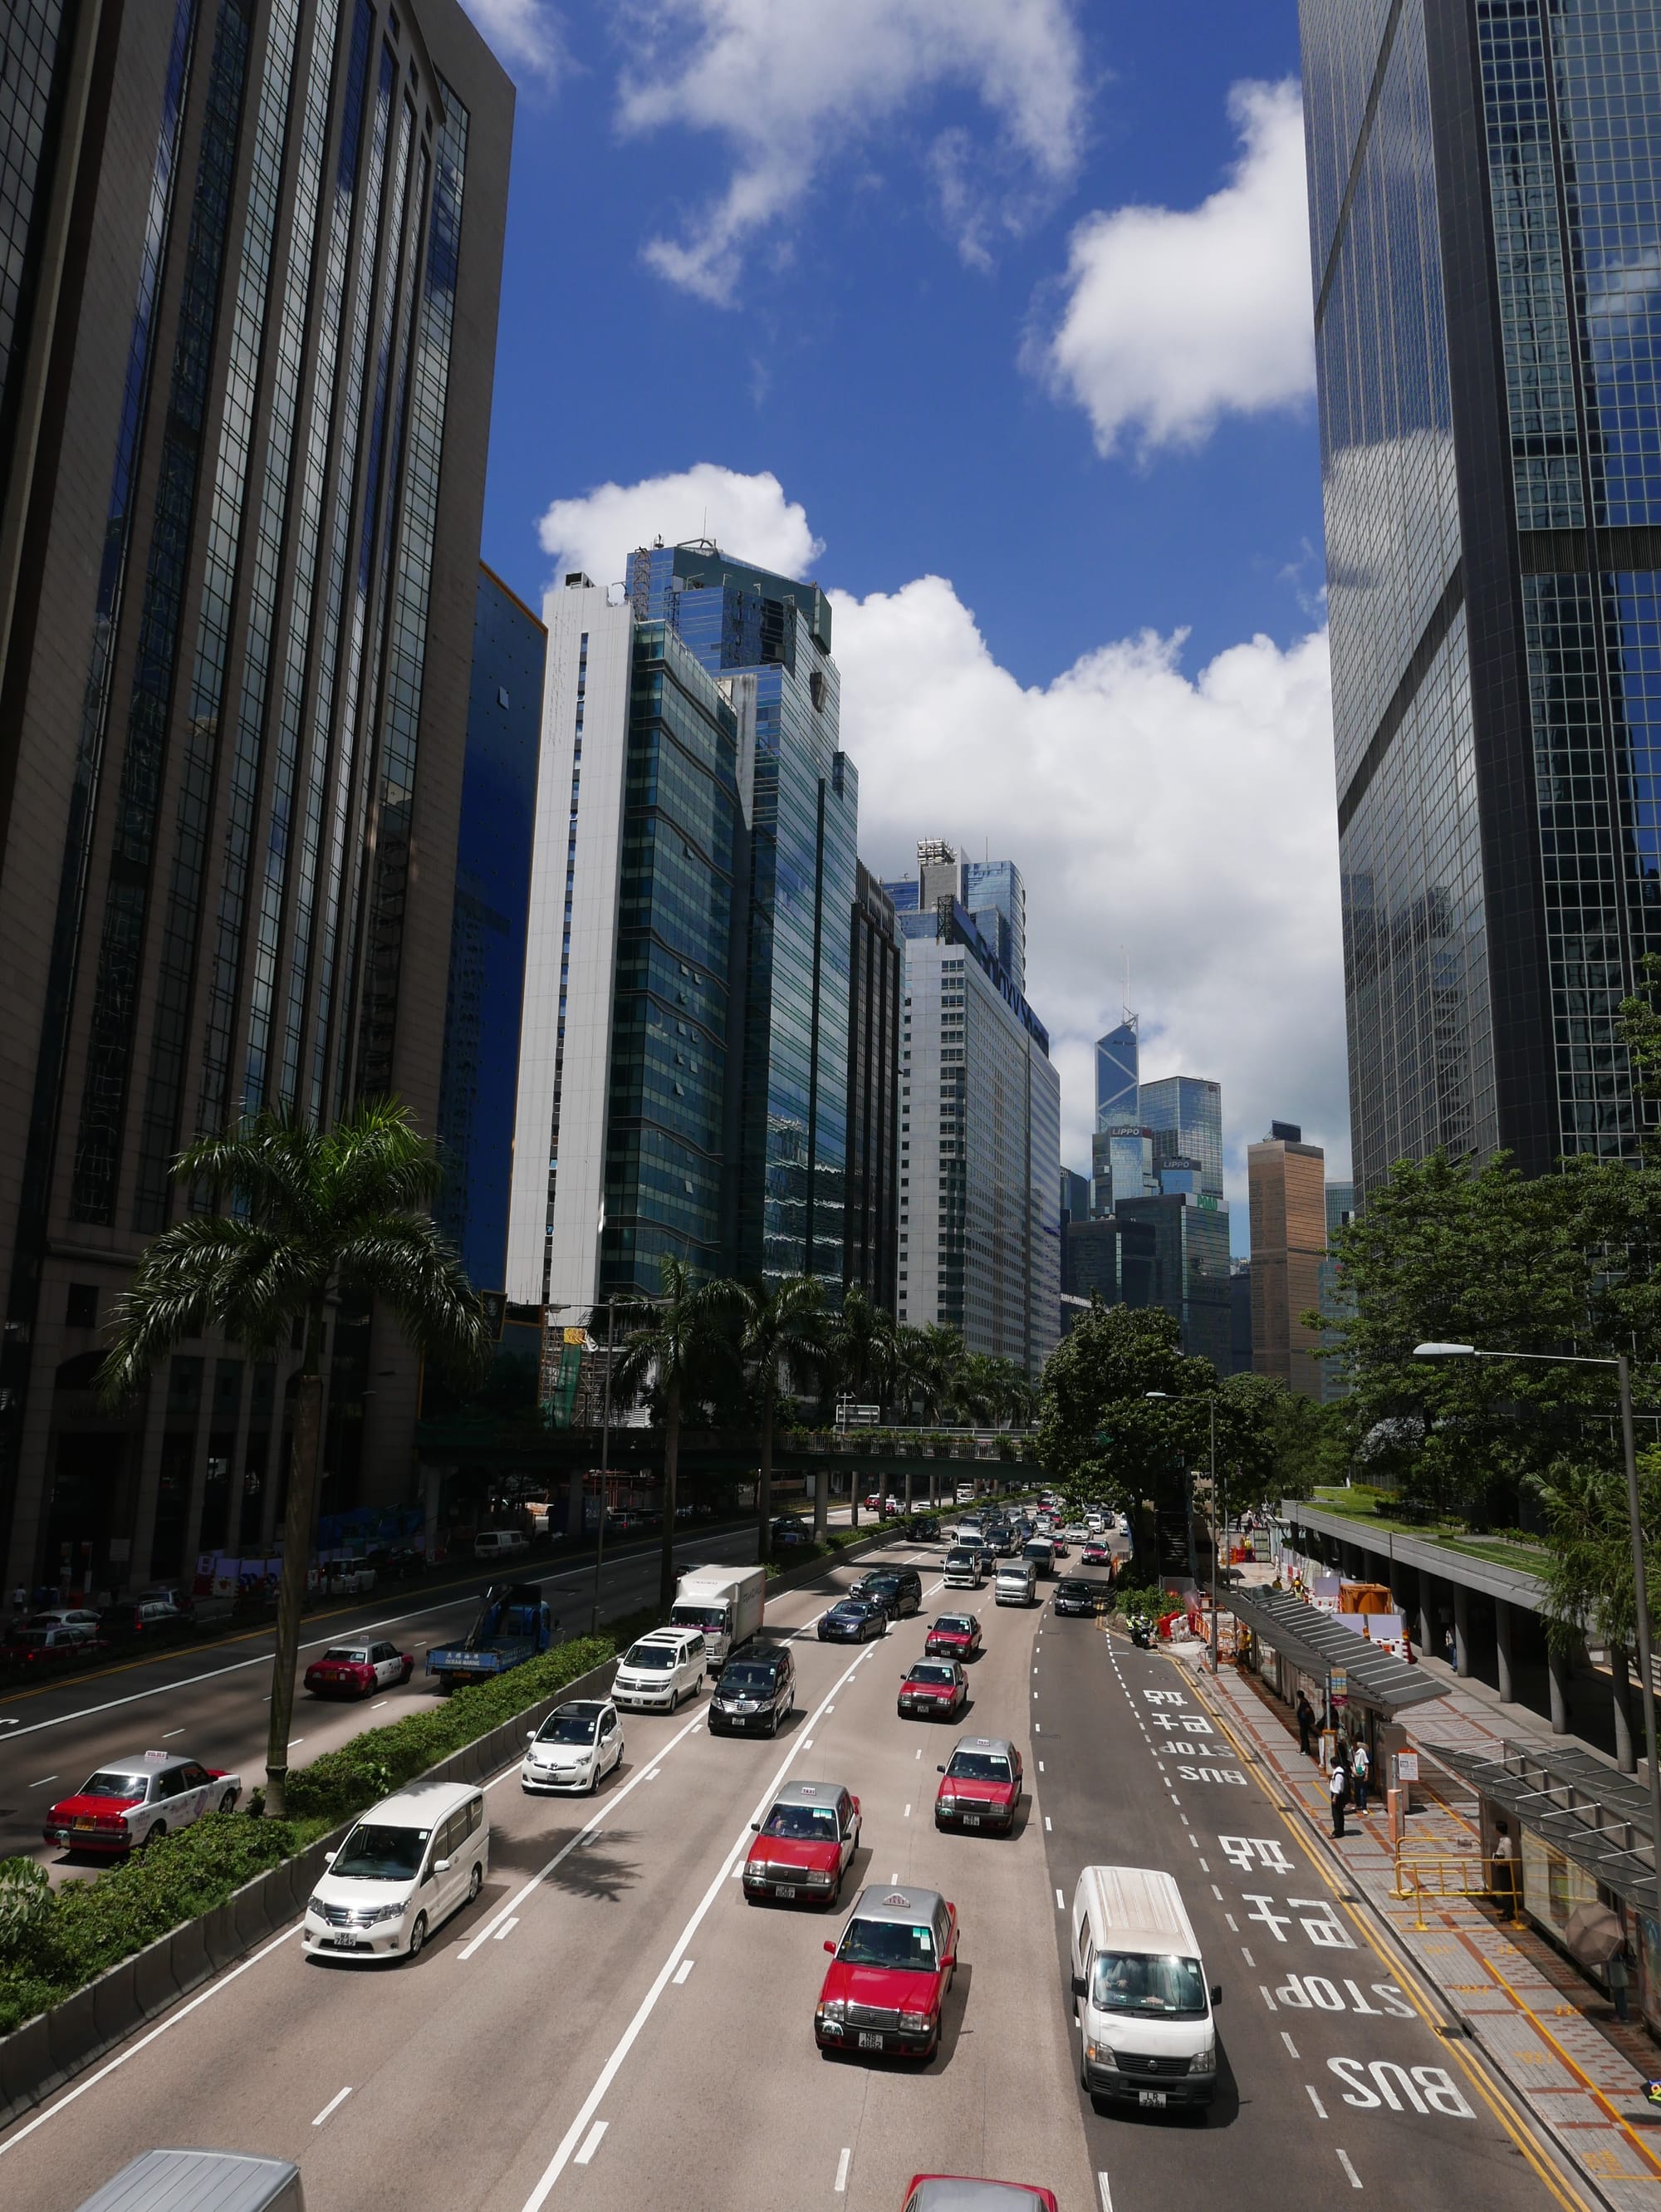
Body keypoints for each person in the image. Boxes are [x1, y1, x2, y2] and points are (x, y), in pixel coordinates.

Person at [1330, 1745, 1350, 1838]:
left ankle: (1337, 1832)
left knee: (1337, 1814)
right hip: (1338, 1796)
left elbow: (1338, 1787)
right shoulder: (1340, 1771)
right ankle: (1339, 1831)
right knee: (1339, 1813)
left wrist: (1334, 1797)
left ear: (1334, 1764)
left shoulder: (1338, 1774)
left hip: (1337, 1796)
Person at [1350, 1736, 1371, 1815]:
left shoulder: (1362, 1752)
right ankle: (1358, 1805)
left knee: (1363, 1792)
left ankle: (1364, 1807)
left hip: (1362, 1773)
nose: (1353, 1744)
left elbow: (1366, 1763)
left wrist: (1367, 1774)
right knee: (1356, 1791)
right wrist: (1353, 1772)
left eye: (1354, 1742)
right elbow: (1350, 1763)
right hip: (1355, 1774)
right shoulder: (1351, 1751)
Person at [1296, 1690, 1316, 1758]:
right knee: (1302, 1736)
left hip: (1304, 1723)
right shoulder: (1303, 1701)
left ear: (1298, 1696)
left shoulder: (1304, 1702)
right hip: (1303, 1723)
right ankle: (1302, 1749)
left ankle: (1307, 1751)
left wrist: (1304, 1716)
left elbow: (1307, 1710)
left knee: (1304, 1737)